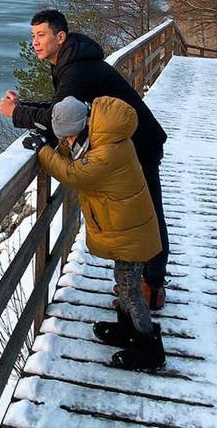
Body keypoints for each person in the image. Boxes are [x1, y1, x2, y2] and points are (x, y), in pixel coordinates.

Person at [0, 9, 169, 309]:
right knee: (139, 217)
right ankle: (140, 284)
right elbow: (63, 112)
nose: (35, 43)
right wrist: (24, 107)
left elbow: (56, 120)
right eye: (33, 36)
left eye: (41, 35)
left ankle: (152, 288)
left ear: (60, 36)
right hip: (127, 144)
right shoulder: (71, 62)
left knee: (147, 217)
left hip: (138, 145)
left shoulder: (75, 69)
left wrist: (16, 113)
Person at [23, 95, 166, 372]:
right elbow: (74, 152)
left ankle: (150, 348)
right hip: (128, 226)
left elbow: (75, 174)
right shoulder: (101, 133)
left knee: (130, 290)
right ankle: (128, 330)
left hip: (131, 232)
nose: (67, 142)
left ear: (83, 127)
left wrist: (43, 152)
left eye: (69, 137)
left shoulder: (106, 152)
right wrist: (53, 139)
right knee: (124, 281)